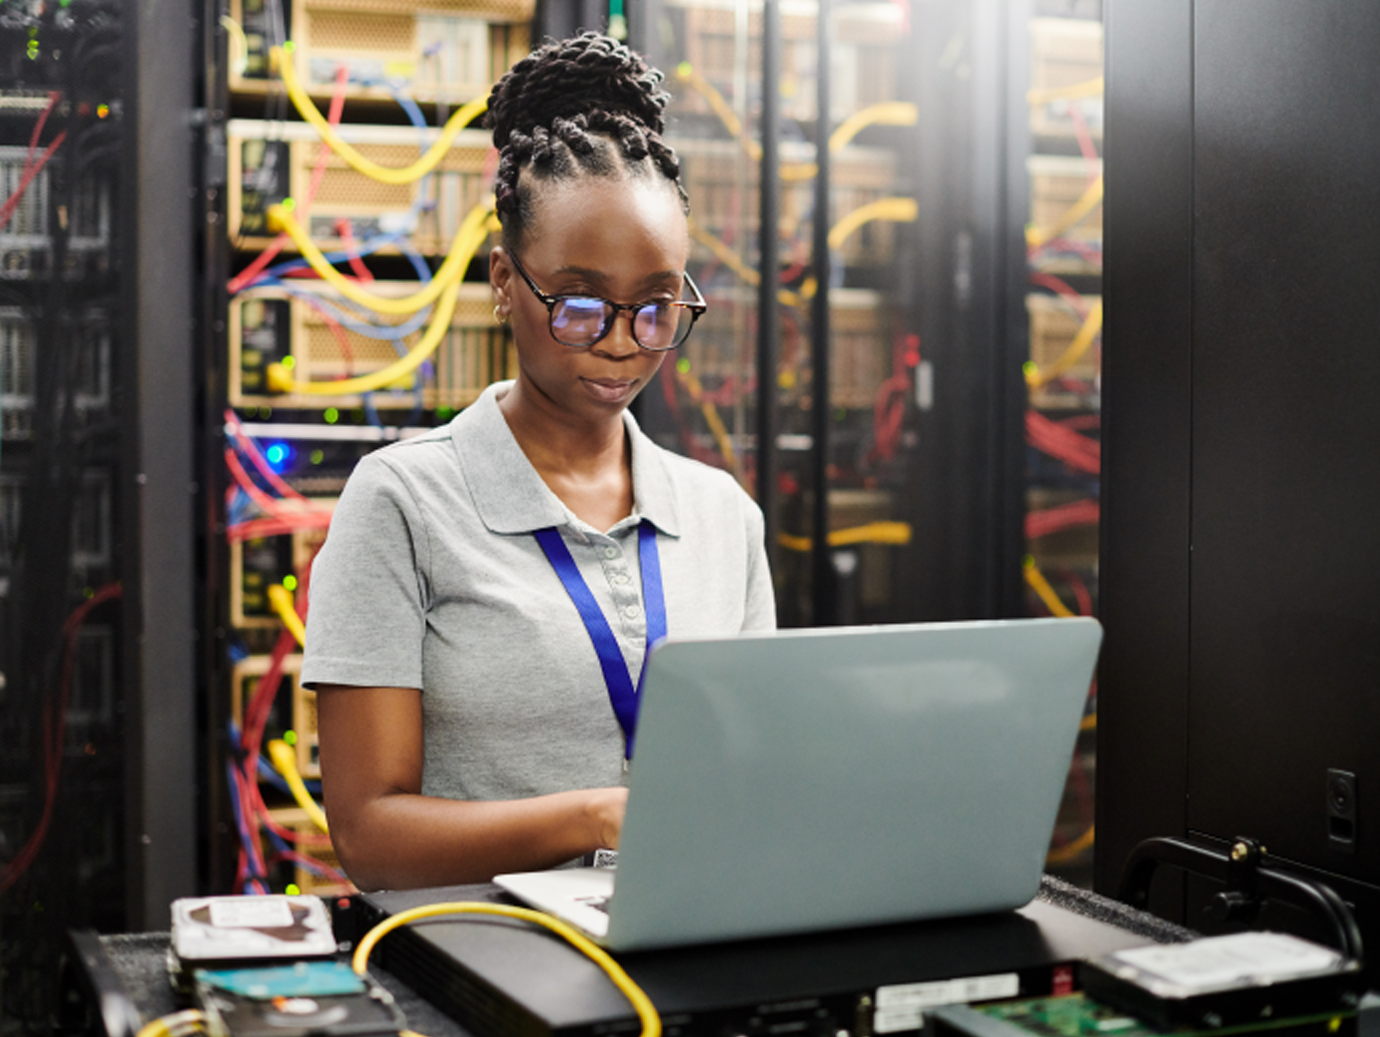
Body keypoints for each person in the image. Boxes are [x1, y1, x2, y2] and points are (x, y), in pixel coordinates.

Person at [301, 33, 776, 891]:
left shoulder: (724, 518)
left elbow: (749, 778)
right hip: (485, 955)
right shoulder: (404, 503)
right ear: (503, 280)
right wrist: (593, 818)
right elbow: (368, 836)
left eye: (658, 308)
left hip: (685, 930)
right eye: (582, 305)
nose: (622, 345)